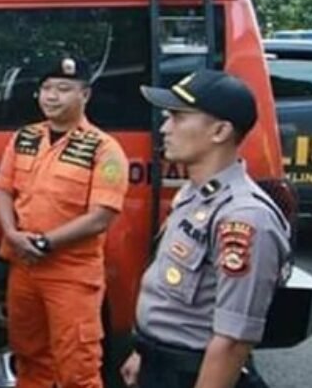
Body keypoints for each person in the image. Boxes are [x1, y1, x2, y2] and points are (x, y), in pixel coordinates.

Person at [122, 70, 291, 388]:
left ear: (220, 131)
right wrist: (143, 353)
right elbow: (172, 298)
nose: (164, 128)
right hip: (159, 364)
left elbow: (231, 343)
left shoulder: (244, 217)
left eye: (177, 117)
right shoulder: (194, 194)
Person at [0, 55, 130, 388]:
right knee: (28, 358)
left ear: (85, 95)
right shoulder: (24, 137)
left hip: (71, 274)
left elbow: (101, 216)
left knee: (77, 368)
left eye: (63, 89)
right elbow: (3, 191)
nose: (51, 96)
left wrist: (45, 243)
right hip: (23, 265)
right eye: (46, 88)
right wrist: (12, 234)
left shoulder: (104, 149)